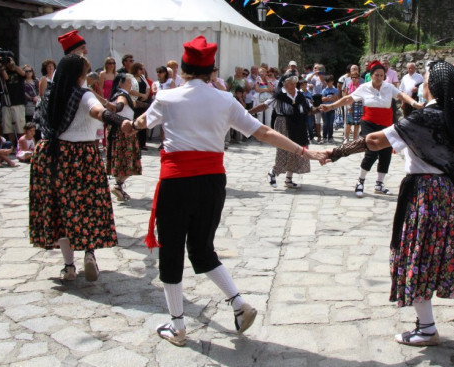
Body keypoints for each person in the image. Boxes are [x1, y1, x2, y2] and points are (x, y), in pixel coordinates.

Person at [131, 35, 326, 346]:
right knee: (202, 248)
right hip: (211, 183)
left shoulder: (166, 98)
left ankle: (178, 326)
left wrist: (132, 123)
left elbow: (142, 122)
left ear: (182, 69)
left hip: (176, 183)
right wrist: (303, 151)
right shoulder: (225, 100)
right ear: (212, 71)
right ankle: (238, 303)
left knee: (172, 251)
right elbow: (263, 131)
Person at [324, 61, 454, 346]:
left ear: (429, 87)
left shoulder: (420, 119)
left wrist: (336, 151)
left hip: (423, 193)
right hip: (451, 192)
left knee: (416, 256)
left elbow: (373, 141)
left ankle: (426, 328)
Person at [29, 53, 133, 282]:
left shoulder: (50, 94)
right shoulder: (83, 94)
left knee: (60, 211)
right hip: (81, 156)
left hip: (51, 156)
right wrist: (119, 121)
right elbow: (98, 111)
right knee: (87, 207)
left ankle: (68, 266)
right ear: (80, 75)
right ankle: (89, 254)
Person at [321, 61, 422, 197]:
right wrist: (331, 106)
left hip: (386, 124)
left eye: (382, 75)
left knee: (386, 152)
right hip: (369, 123)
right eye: (377, 75)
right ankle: (360, 181)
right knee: (371, 150)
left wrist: (414, 103)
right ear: (371, 75)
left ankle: (379, 184)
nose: (379, 77)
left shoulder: (388, 87)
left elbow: (401, 95)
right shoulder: (364, 87)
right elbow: (347, 99)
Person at [250, 73, 313, 189]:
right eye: (290, 83)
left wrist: (321, 108)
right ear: (284, 84)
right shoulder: (279, 95)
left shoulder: (299, 95)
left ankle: (289, 179)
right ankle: (273, 172)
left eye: (294, 83)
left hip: (298, 125)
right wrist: (248, 113)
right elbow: (265, 105)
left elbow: (309, 109)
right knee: (284, 149)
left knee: (297, 150)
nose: (293, 85)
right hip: (283, 124)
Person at [106, 73, 141, 201]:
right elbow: (119, 106)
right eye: (128, 82)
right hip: (124, 131)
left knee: (121, 161)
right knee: (128, 160)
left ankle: (119, 188)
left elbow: (137, 105)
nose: (131, 84)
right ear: (120, 83)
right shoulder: (122, 96)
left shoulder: (122, 95)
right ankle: (118, 185)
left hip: (118, 130)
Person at [0, 54, 26, 147]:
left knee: (20, 127)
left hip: (18, 102)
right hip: (7, 102)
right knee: (8, 127)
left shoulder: (18, 71)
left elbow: (23, 74)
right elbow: (6, 78)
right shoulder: (3, 71)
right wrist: (1, 66)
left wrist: (13, 64)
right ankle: (12, 145)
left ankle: (21, 145)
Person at [321, 75, 339, 143]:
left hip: (332, 108)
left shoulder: (335, 90)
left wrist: (327, 98)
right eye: (327, 82)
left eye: (330, 82)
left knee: (331, 123)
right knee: (325, 123)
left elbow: (335, 98)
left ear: (332, 82)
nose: (329, 83)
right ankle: (324, 137)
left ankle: (330, 137)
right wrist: (330, 98)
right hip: (325, 108)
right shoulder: (324, 90)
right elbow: (323, 99)